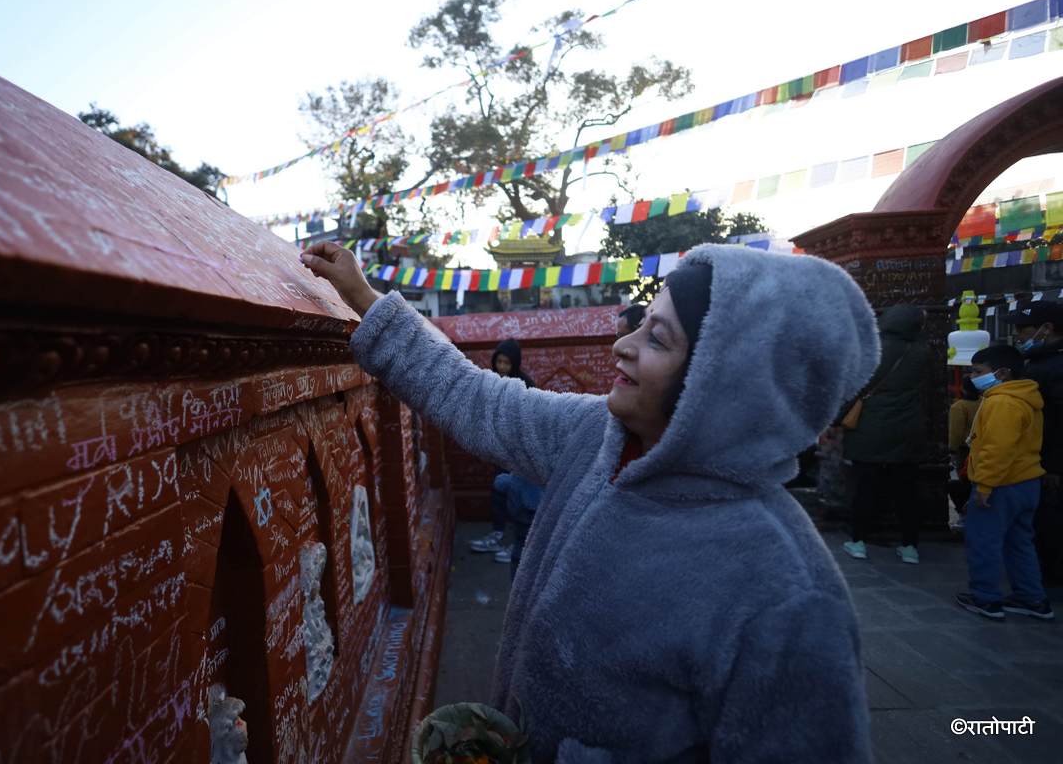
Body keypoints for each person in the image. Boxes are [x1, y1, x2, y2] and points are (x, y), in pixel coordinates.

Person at [301, 240, 875, 761]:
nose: (621, 346)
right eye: (641, 324)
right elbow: (480, 400)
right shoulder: (596, 438)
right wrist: (365, 297)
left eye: (657, 338)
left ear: (722, 384)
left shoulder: (788, 594)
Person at [955, 345, 1054, 621]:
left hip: (1001, 484)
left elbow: (997, 449)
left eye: (978, 371)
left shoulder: (1002, 402)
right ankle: (1031, 597)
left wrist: (984, 485)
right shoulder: (1025, 397)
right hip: (1027, 480)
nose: (973, 376)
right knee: (1019, 541)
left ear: (1002, 372)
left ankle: (985, 597)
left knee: (983, 540)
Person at [841, 304, 929, 565]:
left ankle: (858, 541)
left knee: (864, 489)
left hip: (869, 427)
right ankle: (910, 546)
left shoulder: (871, 349)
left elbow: (852, 386)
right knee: (906, 492)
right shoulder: (922, 351)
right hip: (908, 429)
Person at [470, 340, 536, 560]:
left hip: (519, 450)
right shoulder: (491, 381)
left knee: (519, 494)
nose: (502, 367)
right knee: (498, 490)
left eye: (507, 363)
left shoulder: (525, 384)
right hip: (498, 447)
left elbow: (530, 417)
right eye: (499, 362)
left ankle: (520, 543)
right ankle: (498, 533)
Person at [1013, 301, 1063, 585]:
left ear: (1047, 329)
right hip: (1038, 460)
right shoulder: (1039, 362)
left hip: (1049, 462)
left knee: (1049, 525)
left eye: (1024, 328)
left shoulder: (1053, 367)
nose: (1018, 334)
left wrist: (1054, 465)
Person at [947, 379, 981, 530]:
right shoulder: (984, 403)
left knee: (964, 481)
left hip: (964, 450)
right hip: (981, 448)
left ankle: (966, 515)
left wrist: (952, 450)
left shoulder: (959, 407)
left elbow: (955, 433)